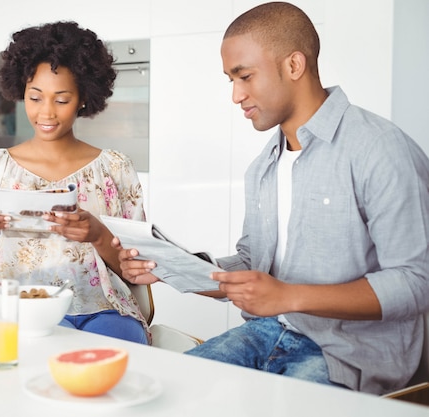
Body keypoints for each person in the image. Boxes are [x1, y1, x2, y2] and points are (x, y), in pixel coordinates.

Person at [114, 1, 429, 394]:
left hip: (350, 353)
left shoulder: (380, 150)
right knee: (167, 393)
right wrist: (171, 267)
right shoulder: (264, 166)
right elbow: (252, 267)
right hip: (268, 333)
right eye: (230, 79)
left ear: (293, 66)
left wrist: (287, 296)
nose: (235, 95)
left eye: (244, 76)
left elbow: (417, 282)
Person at [0, 21, 149, 345]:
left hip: (103, 310)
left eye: (61, 100)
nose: (46, 113)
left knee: (123, 358)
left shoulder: (115, 168)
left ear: (82, 98)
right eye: (35, 98)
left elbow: (139, 274)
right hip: (19, 311)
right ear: (21, 91)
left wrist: (98, 235)